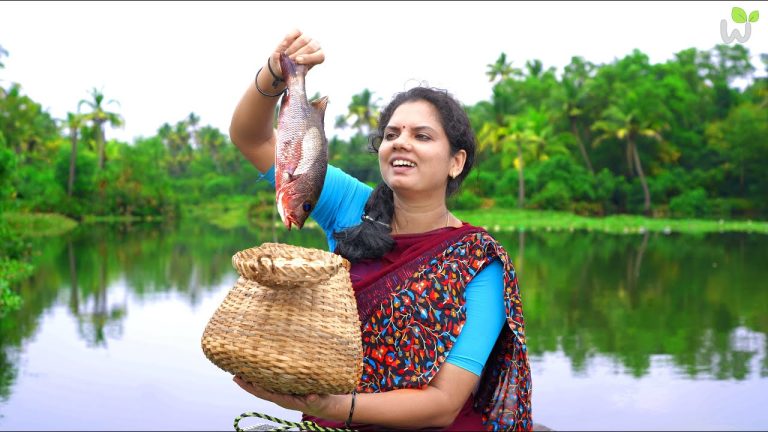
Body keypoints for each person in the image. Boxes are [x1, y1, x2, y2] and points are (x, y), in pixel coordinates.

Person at [229, 29, 532, 431]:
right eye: (392, 135)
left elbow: (443, 403)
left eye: (422, 136)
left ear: (456, 162)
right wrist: (274, 74)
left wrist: (334, 406)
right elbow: (250, 138)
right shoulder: (350, 205)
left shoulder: (479, 261)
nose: (401, 143)